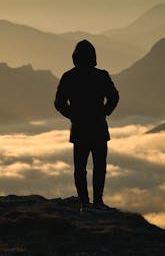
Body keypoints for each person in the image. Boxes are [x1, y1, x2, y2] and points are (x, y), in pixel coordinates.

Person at [54, 40, 119, 212]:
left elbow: (59, 103)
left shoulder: (69, 77)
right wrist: (105, 112)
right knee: (99, 167)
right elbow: (114, 97)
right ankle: (97, 201)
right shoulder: (101, 76)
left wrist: (73, 116)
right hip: (98, 127)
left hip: (80, 128)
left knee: (80, 168)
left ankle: (85, 203)